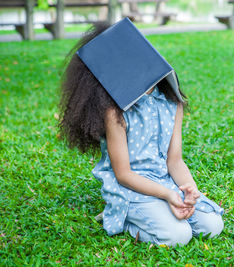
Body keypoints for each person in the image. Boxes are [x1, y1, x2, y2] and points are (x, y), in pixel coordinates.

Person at [58, 22, 224, 247]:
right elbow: (124, 174)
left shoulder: (172, 104)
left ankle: (163, 210)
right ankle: (121, 217)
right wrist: (166, 195)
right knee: (178, 236)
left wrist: (189, 192)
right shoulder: (114, 113)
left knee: (212, 226)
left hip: (164, 182)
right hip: (131, 190)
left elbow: (174, 161)